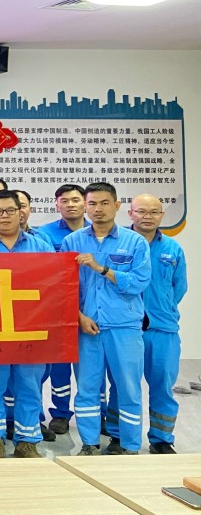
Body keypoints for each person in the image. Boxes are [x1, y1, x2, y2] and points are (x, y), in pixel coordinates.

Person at [64, 182, 151, 456]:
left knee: (128, 388)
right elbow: (63, 287)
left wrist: (101, 268)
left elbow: (139, 282)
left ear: (116, 205)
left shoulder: (135, 242)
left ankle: (128, 445)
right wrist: (78, 317)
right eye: (92, 204)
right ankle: (89, 443)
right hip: (86, 328)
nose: (98, 209)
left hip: (124, 327)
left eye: (104, 203)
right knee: (87, 388)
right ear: (85, 206)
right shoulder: (72, 242)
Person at [0, 190, 55, 458]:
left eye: (10, 210)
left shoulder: (41, 247)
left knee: (29, 385)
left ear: (21, 213)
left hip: (30, 328)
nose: (4, 216)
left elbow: (53, 287)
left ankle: (27, 440)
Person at [119, 194, 185, 454]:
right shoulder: (120, 243)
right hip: (126, 328)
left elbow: (179, 287)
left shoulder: (173, 248)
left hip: (162, 330)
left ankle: (161, 438)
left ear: (161, 215)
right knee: (124, 386)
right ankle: (118, 436)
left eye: (154, 212)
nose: (148, 217)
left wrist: (162, 309)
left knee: (163, 386)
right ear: (130, 213)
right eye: (141, 211)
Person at [38, 183, 87, 434]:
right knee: (58, 368)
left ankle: (96, 414)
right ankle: (60, 413)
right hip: (57, 308)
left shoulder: (98, 231)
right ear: (56, 205)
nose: (70, 205)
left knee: (91, 368)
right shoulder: (44, 234)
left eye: (75, 200)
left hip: (92, 309)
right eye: (64, 200)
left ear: (85, 203)